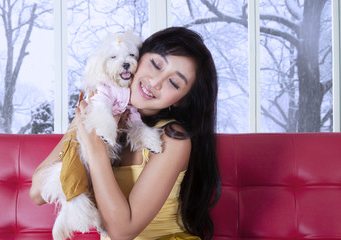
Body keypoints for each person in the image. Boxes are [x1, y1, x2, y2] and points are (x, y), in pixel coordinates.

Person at [30, 27, 221, 240]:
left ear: (181, 100)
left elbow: (122, 232)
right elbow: (37, 193)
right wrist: (87, 121)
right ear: (139, 55)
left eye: (174, 83)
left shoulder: (173, 138)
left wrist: (95, 148)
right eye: (156, 65)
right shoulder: (99, 110)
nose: (156, 82)